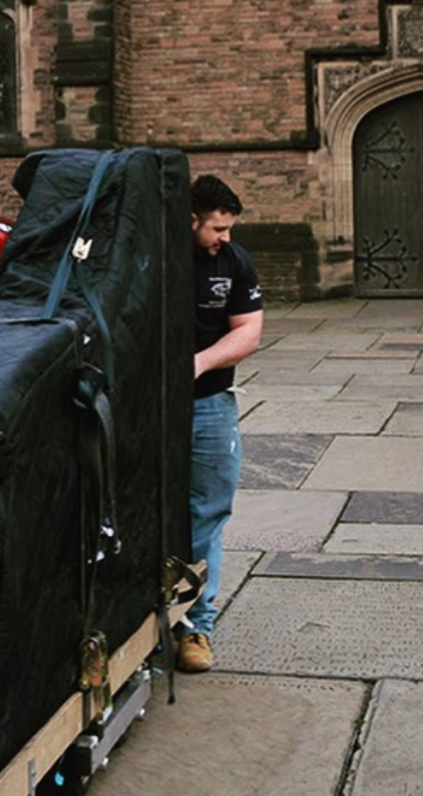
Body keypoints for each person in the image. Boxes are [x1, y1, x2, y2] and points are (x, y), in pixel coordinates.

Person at [179, 174, 263, 674]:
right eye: (217, 228)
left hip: (210, 404)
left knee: (208, 511)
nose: (225, 238)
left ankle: (197, 627)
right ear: (191, 220)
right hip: (149, 411)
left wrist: (200, 363)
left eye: (229, 228)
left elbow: (249, 330)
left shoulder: (234, 261)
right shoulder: (159, 257)